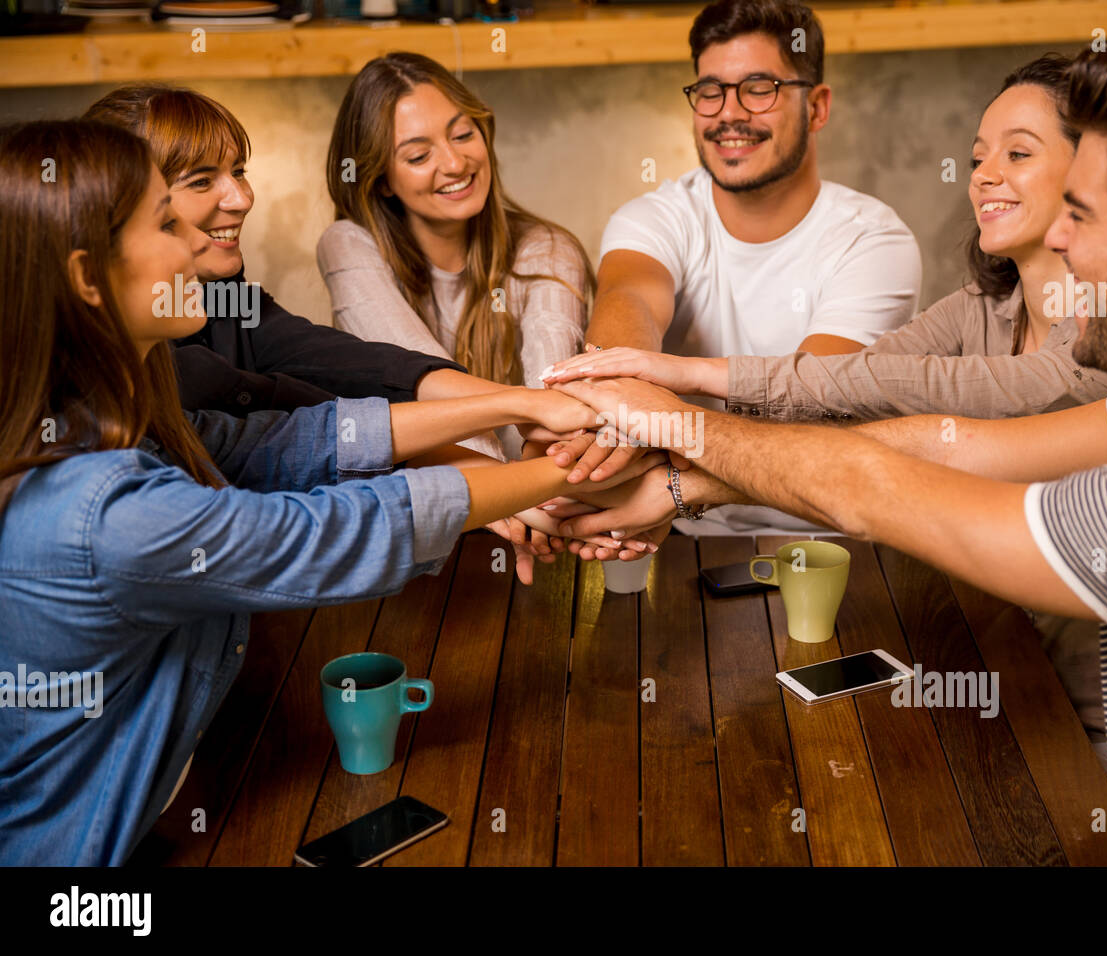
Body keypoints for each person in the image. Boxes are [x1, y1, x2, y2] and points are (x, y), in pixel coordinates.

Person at [552, 37, 1107, 866]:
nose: (1065, 248)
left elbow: (876, 489)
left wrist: (675, 427)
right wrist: (679, 487)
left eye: (1083, 216)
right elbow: (957, 446)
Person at [0, 119, 657, 866]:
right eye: (166, 220)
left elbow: (296, 443)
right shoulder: (103, 513)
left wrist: (520, 407)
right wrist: (581, 469)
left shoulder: (108, 421)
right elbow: (322, 532)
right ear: (88, 278)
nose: (196, 239)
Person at [83, 84, 646, 578]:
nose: (243, 199)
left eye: (239, 172)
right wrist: (546, 474)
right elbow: (317, 456)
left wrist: (535, 426)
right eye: (200, 183)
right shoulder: (124, 410)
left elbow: (359, 375)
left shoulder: (220, 302)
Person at [543, 53, 1107, 423]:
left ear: (1095, 168)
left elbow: (955, 391)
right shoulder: (979, 309)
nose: (982, 175)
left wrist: (693, 380)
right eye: (978, 157)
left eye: (1018, 153)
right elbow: (848, 384)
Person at [569, 0, 922, 534]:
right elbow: (630, 304)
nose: (729, 112)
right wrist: (599, 423)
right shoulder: (654, 217)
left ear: (817, 107)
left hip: (837, 534)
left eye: (759, 88)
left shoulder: (874, 241)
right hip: (677, 530)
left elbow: (811, 406)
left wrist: (658, 436)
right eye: (710, 90)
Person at [317, 52, 592, 453]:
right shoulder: (347, 244)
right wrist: (507, 494)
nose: (455, 163)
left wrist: (532, 491)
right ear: (381, 181)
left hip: (540, 489)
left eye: (463, 134)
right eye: (418, 155)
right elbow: (424, 381)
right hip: (445, 495)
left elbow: (554, 411)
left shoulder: (547, 249)